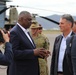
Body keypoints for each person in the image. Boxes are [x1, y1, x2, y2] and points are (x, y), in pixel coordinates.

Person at [8, 11, 50, 75]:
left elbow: (28, 49)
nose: (31, 22)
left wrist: (40, 53)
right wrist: (33, 52)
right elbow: (14, 53)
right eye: (29, 20)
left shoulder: (26, 32)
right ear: (21, 19)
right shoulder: (15, 32)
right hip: (21, 71)